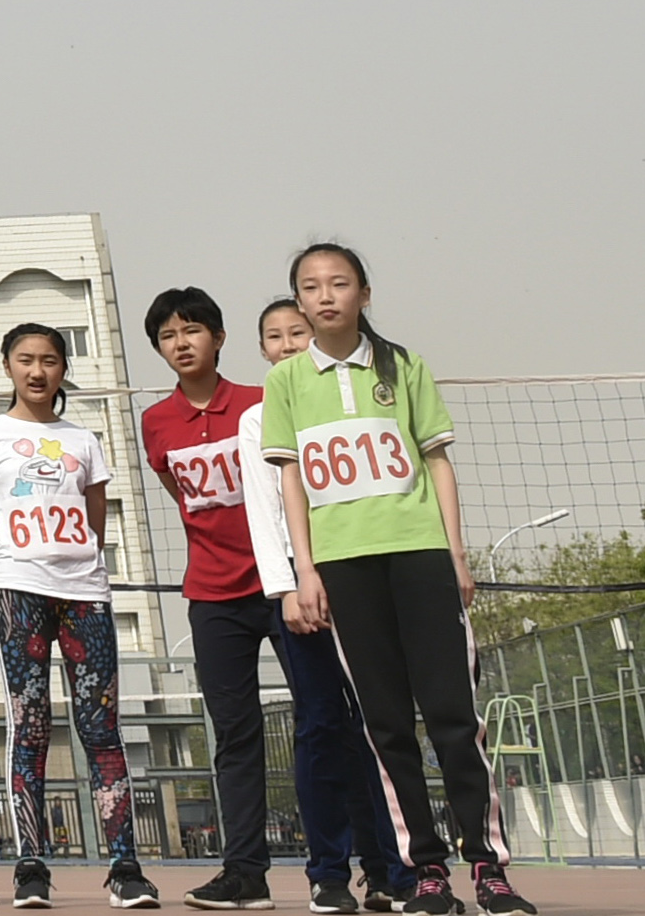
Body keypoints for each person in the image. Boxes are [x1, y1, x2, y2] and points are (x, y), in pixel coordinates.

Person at [263, 245, 537, 916]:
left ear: (364, 292)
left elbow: (436, 462)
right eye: (310, 287)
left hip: (419, 557)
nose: (325, 296)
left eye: (339, 283)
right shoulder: (287, 382)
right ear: (299, 301)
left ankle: (489, 866)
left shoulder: (404, 365)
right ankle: (429, 871)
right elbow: (291, 479)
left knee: (453, 718)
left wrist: (457, 556)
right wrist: (306, 569)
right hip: (345, 568)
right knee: (386, 726)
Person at [0, 324, 154, 911]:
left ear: (63, 369)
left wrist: (74, 570)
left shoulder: (83, 439)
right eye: (26, 360)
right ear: (8, 367)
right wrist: (11, 569)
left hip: (84, 595)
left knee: (101, 728)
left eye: (49, 360)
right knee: (31, 726)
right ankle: (31, 868)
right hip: (20, 593)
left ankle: (125, 866)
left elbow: (96, 521)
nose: (38, 371)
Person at [244, 298, 420, 915]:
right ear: (262, 348)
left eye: (299, 330)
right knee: (320, 726)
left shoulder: (365, 391)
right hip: (304, 589)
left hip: (363, 580)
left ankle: (396, 869)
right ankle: (328, 872)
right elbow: (265, 516)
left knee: (379, 725)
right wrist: (289, 586)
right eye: (275, 335)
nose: (289, 342)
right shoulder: (260, 415)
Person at [139, 287, 283, 910]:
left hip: (283, 585)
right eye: (168, 336)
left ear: (219, 338)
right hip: (213, 596)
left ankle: (367, 868)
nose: (181, 343)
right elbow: (185, 497)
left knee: (330, 721)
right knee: (234, 735)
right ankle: (245, 873)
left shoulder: (261, 402)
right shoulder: (156, 423)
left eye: (192, 330)